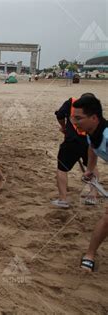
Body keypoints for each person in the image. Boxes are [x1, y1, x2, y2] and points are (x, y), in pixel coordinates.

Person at [71, 95, 108, 272]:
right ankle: (90, 254)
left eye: (78, 118)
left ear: (94, 118)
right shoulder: (91, 133)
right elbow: (91, 149)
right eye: (73, 117)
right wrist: (90, 169)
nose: (74, 122)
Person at [52, 93, 98, 208]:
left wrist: (63, 127)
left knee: (62, 169)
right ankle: (93, 195)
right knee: (92, 167)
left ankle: (63, 199)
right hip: (89, 142)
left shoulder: (72, 103)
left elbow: (60, 115)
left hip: (71, 142)